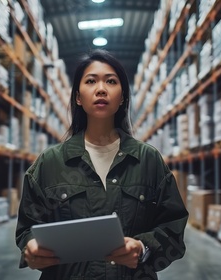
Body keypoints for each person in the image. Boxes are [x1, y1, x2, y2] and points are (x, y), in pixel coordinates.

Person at [15, 49, 188, 279]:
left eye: (111, 81)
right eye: (91, 81)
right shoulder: (50, 163)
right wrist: (31, 249)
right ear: (78, 97)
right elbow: (27, 228)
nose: (101, 89)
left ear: (123, 96)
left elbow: (173, 230)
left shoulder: (148, 160)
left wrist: (142, 248)